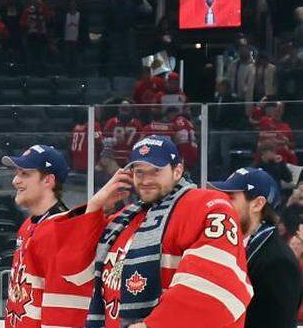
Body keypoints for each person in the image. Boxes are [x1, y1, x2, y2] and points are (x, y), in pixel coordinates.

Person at [51, 136, 253, 328]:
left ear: (178, 170)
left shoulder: (207, 206)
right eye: (139, 172)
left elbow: (218, 287)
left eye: (155, 170)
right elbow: (74, 273)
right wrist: (95, 206)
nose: (146, 180)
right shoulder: (124, 220)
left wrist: (151, 325)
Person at [2, 144, 87, 327]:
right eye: (17, 173)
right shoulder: (28, 225)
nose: (15, 181)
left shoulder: (63, 230)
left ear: (48, 180)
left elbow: (64, 307)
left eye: (25, 174)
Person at [209, 168, 302, 328]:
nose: (223, 204)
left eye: (231, 198)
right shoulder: (233, 244)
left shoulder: (278, 261)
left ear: (258, 204)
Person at [101, 101, 142, 166]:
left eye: (126, 109)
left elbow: (141, 142)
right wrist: (114, 141)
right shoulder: (111, 122)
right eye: (123, 109)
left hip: (131, 158)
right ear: (119, 110)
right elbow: (103, 139)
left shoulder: (137, 124)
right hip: (113, 158)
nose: (124, 112)